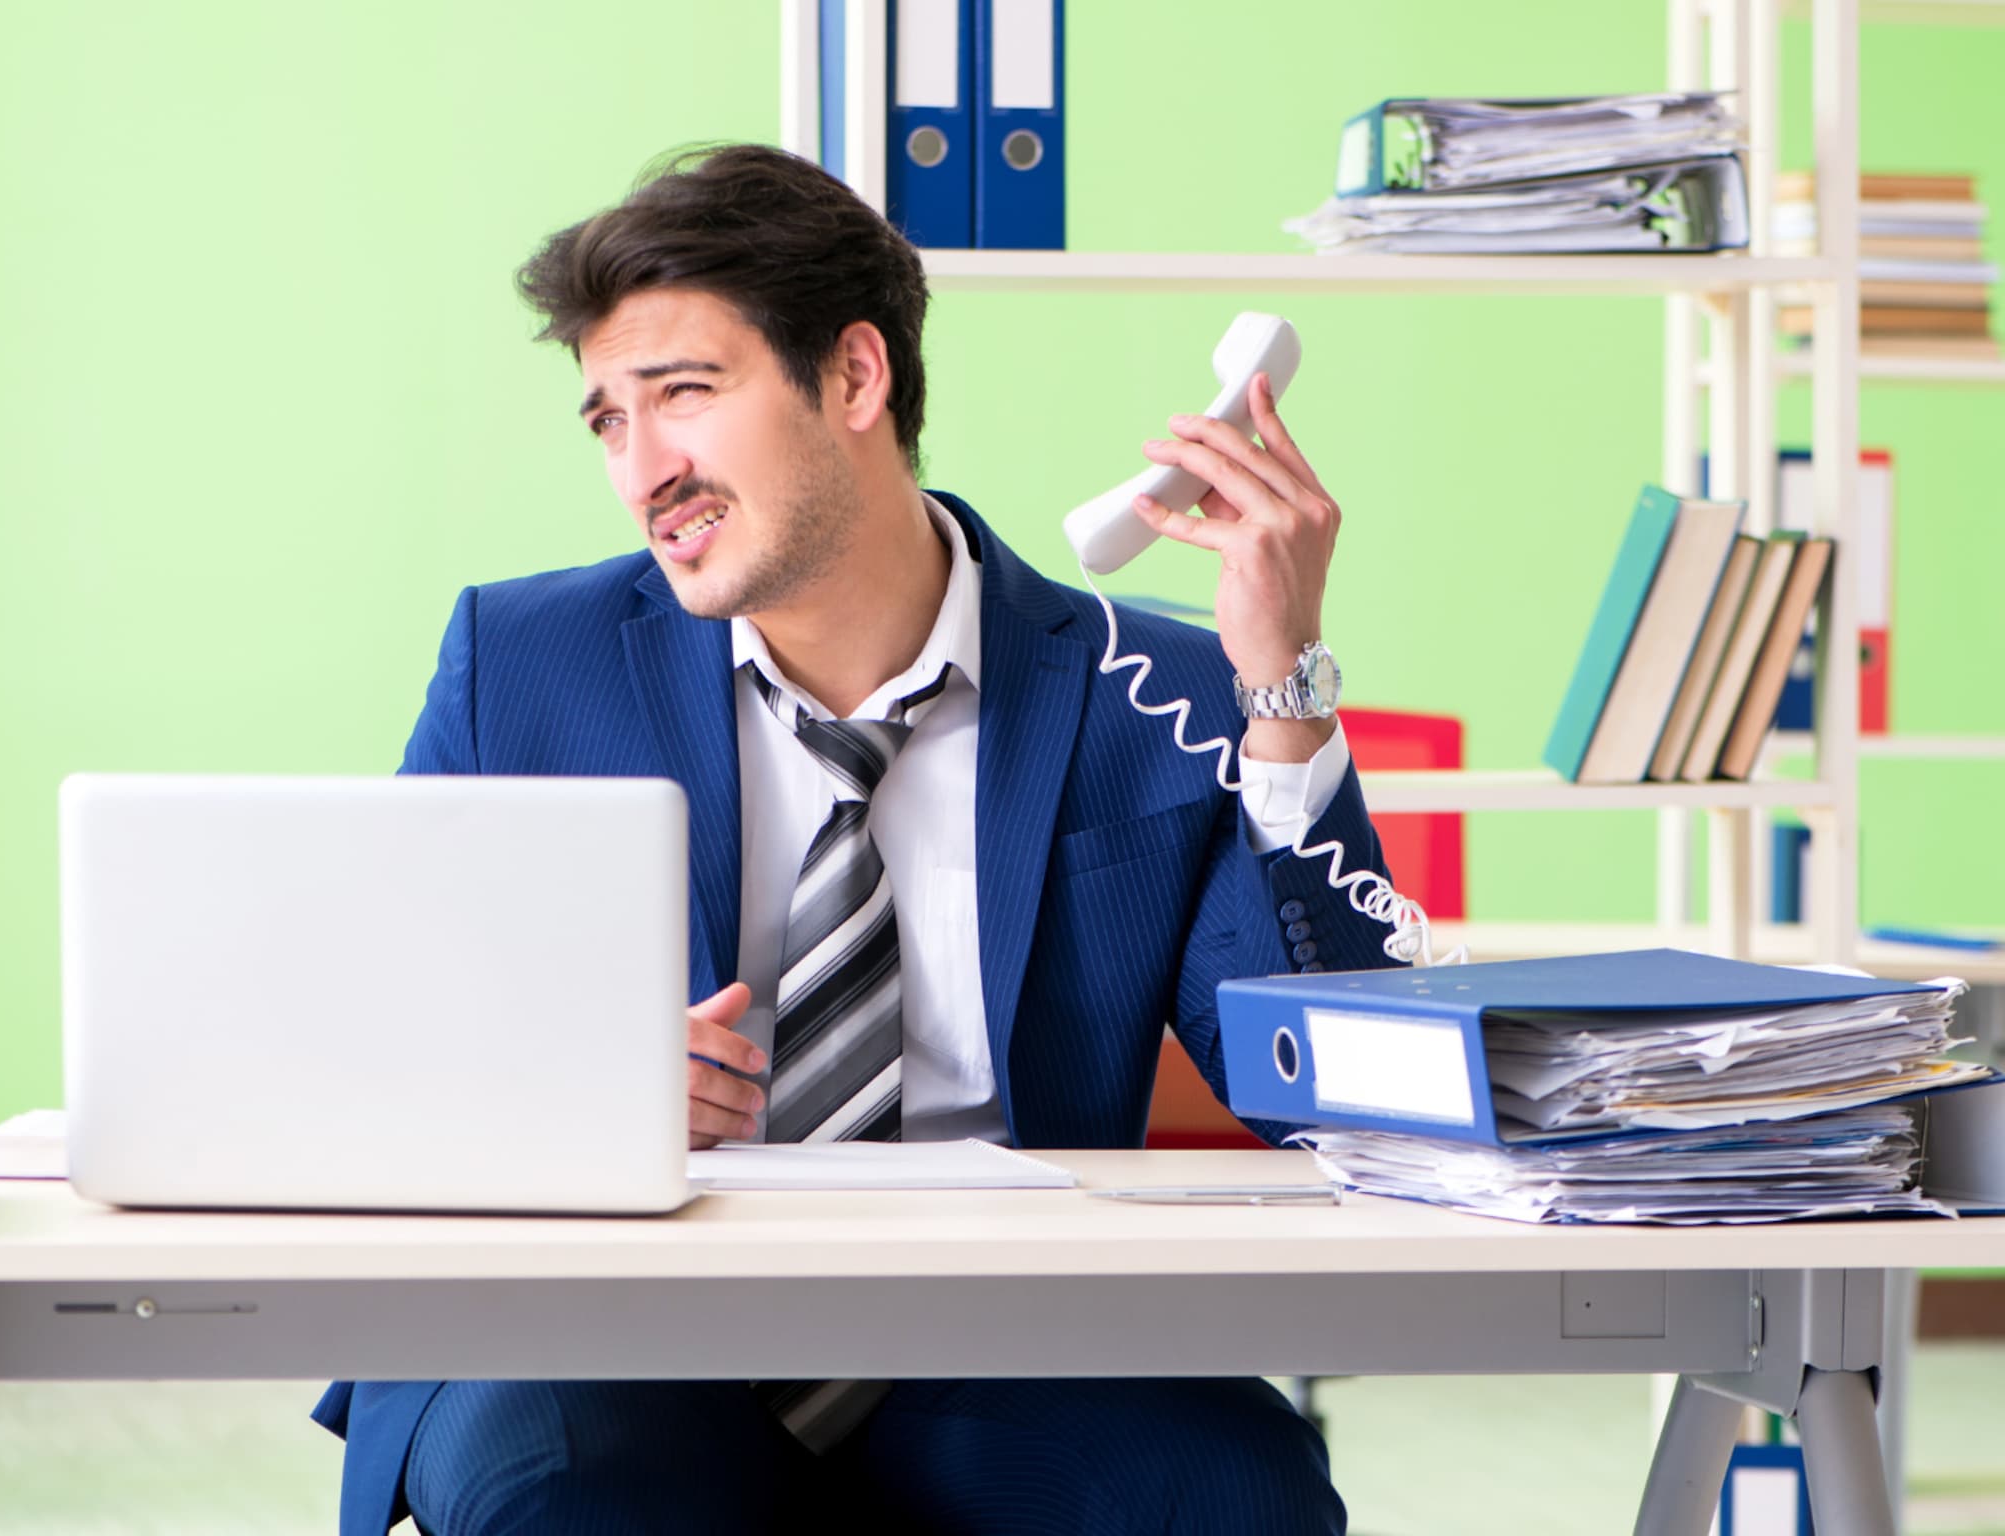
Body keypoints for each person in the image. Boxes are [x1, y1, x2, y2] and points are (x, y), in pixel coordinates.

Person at [314, 143, 1402, 1536]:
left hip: (993, 1341)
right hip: (616, 1317)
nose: (644, 470)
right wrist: (573, 1094)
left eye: (684, 398)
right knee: (557, 1481)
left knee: (1230, 1498)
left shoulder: (1162, 693)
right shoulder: (525, 660)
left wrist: (1286, 697)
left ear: (854, 380)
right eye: (605, 423)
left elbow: (1339, 1093)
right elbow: (366, 1036)